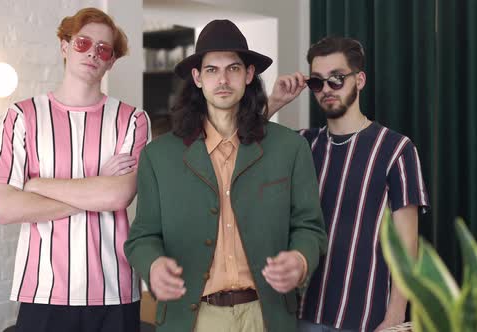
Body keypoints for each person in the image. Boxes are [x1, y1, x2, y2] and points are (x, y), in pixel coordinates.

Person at [124, 19, 327, 332]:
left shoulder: (290, 148)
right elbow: (142, 236)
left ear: (248, 75)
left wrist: (300, 260)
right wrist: (153, 265)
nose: (222, 79)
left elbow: (309, 227)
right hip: (191, 319)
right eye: (211, 70)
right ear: (197, 78)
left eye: (232, 68)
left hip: (267, 315)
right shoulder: (158, 156)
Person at [0, 8, 150, 332]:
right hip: (43, 290)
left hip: (114, 289)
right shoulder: (21, 116)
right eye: (83, 42)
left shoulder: (132, 120)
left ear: (111, 61)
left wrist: (35, 185)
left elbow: (119, 195)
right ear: (65, 45)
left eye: (103, 49)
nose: (92, 53)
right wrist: (96, 187)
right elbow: (6, 208)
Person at [267, 36, 430, 332]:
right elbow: (237, 145)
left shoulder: (396, 149)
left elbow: (407, 247)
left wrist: (395, 317)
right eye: (317, 82)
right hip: (301, 314)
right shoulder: (302, 144)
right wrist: (275, 101)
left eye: (337, 79)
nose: (327, 89)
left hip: (366, 319)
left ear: (360, 79)